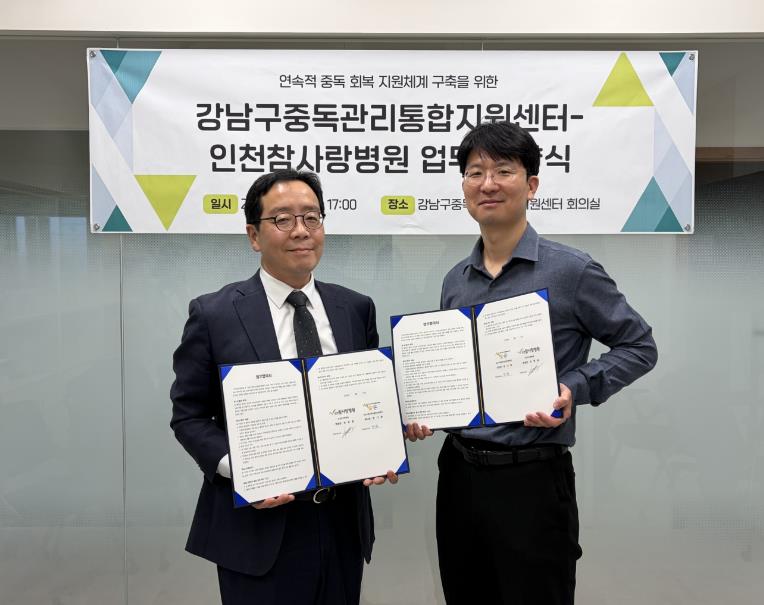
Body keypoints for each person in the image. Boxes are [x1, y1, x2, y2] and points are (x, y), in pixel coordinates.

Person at [406, 122, 658, 604]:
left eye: (504, 171)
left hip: (533, 481)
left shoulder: (572, 270)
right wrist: (426, 411)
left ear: (531, 184)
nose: (488, 183)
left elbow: (639, 346)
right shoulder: (456, 280)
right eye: (475, 172)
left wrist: (574, 386)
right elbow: (457, 375)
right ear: (463, 187)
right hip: (459, 475)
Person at [170, 169, 396, 605]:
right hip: (258, 529)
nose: (301, 231)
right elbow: (189, 416)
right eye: (283, 219)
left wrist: (380, 446)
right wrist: (243, 472)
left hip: (341, 523)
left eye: (312, 217)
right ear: (254, 235)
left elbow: (368, 399)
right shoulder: (214, 314)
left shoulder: (354, 308)